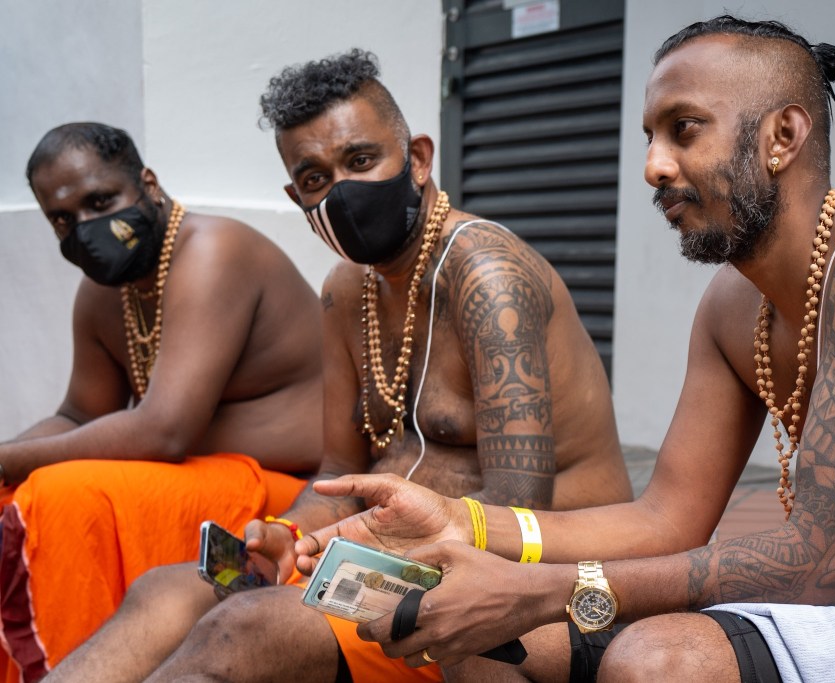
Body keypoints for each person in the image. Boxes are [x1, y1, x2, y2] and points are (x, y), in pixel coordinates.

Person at [296, 16, 835, 683]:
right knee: (481, 644)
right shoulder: (733, 305)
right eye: (650, 137)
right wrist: (465, 522)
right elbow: (667, 520)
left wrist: (542, 589)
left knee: (656, 661)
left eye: (684, 130)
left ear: (783, 136)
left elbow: (815, 562)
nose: (654, 166)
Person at [46, 50, 633, 683]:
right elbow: (338, 471)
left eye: (360, 160)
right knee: (164, 591)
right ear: (295, 195)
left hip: (526, 581)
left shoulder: (487, 276)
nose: (343, 191)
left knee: (245, 630)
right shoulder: (347, 289)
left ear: (417, 159)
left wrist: (361, 554)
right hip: (395, 557)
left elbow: (519, 509)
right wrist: (289, 535)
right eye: (315, 178)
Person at [0, 122, 325, 682]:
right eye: (63, 219)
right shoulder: (105, 290)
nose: (86, 227)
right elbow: (79, 415)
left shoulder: (213, 250)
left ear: (147, 184)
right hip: (195, 480)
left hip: (288, 495)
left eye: (100, 201)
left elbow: (165, 431)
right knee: (12, 494)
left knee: (59, 495)